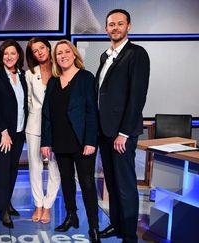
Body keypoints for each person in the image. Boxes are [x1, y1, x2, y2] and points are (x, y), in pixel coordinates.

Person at [96, 9, 150, 243]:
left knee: (126, 186)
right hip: (105, 132)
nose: (115, 28)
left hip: (121, 135)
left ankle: (129, 235)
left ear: (129, 26)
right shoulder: (105, 55)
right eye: (111, 24)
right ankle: (116, 225)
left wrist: (124, 133)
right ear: (106, 28)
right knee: (112, 183)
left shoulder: (137, 54)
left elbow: (137, 97)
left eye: (120, 24)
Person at [40, 39, 100, 242]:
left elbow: (92, 112)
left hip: (82, 141)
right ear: (55, 58)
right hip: (60, 141)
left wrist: (90, 141)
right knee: (66, 182)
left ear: (74, 54)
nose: (63, 55)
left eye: (66, 52)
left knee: (87, 183)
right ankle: (71, 215)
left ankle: (93, 226)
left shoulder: (86, 78)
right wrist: (46, 142)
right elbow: (47, 114)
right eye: (59, 53)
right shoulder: (54, 81)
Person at [0, 39, 27, 228]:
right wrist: (3, 131)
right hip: (3, 134)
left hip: (19, 132)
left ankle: (7, 202)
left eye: (13, 53)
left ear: (19, 56)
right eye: (6, 54)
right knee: (3, 172)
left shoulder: (23, 75)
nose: (9, 57)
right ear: (1, 57)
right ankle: (3, 210)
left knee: (13, 170)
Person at [24, 37, 61, 224]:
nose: (39, 52)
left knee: (55, 167)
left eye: (41, 48)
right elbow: (30, 101)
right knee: (35, 168)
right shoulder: (30, 74)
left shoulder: (61, 69)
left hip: (58, 127)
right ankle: (38, 204)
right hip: (34, 125)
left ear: (48, 48)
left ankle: (48, 206)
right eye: (34, 51)